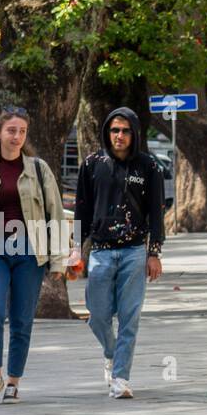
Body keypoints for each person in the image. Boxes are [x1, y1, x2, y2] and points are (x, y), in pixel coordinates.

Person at [0, 106, 70, 405]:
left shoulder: (38, 170)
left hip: (29, 253)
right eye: (11, 130)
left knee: (22, 319)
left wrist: (59, 261)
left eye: (21, 131)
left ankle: (14, 382)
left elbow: (55, 215)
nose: (16, 136)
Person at [75, 107, 166, 399]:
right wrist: (76, 250)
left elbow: (156, 213)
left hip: (134, 252)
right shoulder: (92, 164)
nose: (120, 136)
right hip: (101, 251)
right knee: (97, 315)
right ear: (107, 132)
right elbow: (81, 210)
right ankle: (111, 353)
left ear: (135, 133)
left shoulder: (149, 167)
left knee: (130, 317)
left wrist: (154, 252)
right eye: (115, 130)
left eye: (126, 131)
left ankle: (121, 378)